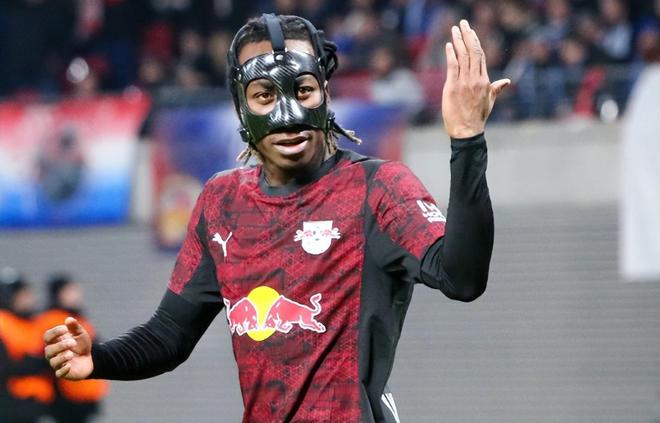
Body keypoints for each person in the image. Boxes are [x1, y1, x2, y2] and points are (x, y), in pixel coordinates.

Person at [44, 14, 510, 422]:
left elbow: (462, 277)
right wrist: (99, 359)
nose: (287, 114)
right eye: (265, 94)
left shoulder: (377, 188)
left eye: (302, 89)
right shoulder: (221, 202)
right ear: (241, 105)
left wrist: (467, 141)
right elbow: (170, 334)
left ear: (325, 92)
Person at [36, 273, 109, 423]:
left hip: (84, 391)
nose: (76, 295)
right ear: (58, 294)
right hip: (67, 396)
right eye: (70, 291)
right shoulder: (52, 319)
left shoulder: (77, 318)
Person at [0, 268, 54, 423]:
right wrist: (38, 362)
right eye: (21, 295)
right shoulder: (4, 323)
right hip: (13, 403)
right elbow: (6, 367)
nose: (27, 299)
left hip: (35, 402)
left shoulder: (32, 322)